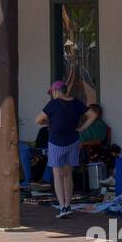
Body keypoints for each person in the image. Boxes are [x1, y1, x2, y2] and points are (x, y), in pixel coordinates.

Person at [35, 81, 96, 217]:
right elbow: (93, 115)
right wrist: (82, 128)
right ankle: (68, 205)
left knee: (57, 175)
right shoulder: (77, 103)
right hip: (73, 141)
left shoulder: (53, 104)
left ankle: (62, 207)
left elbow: (37, 120)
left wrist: (48, 122)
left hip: (56, 142)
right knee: (68, 175)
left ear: (56, 91)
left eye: (52, 92)